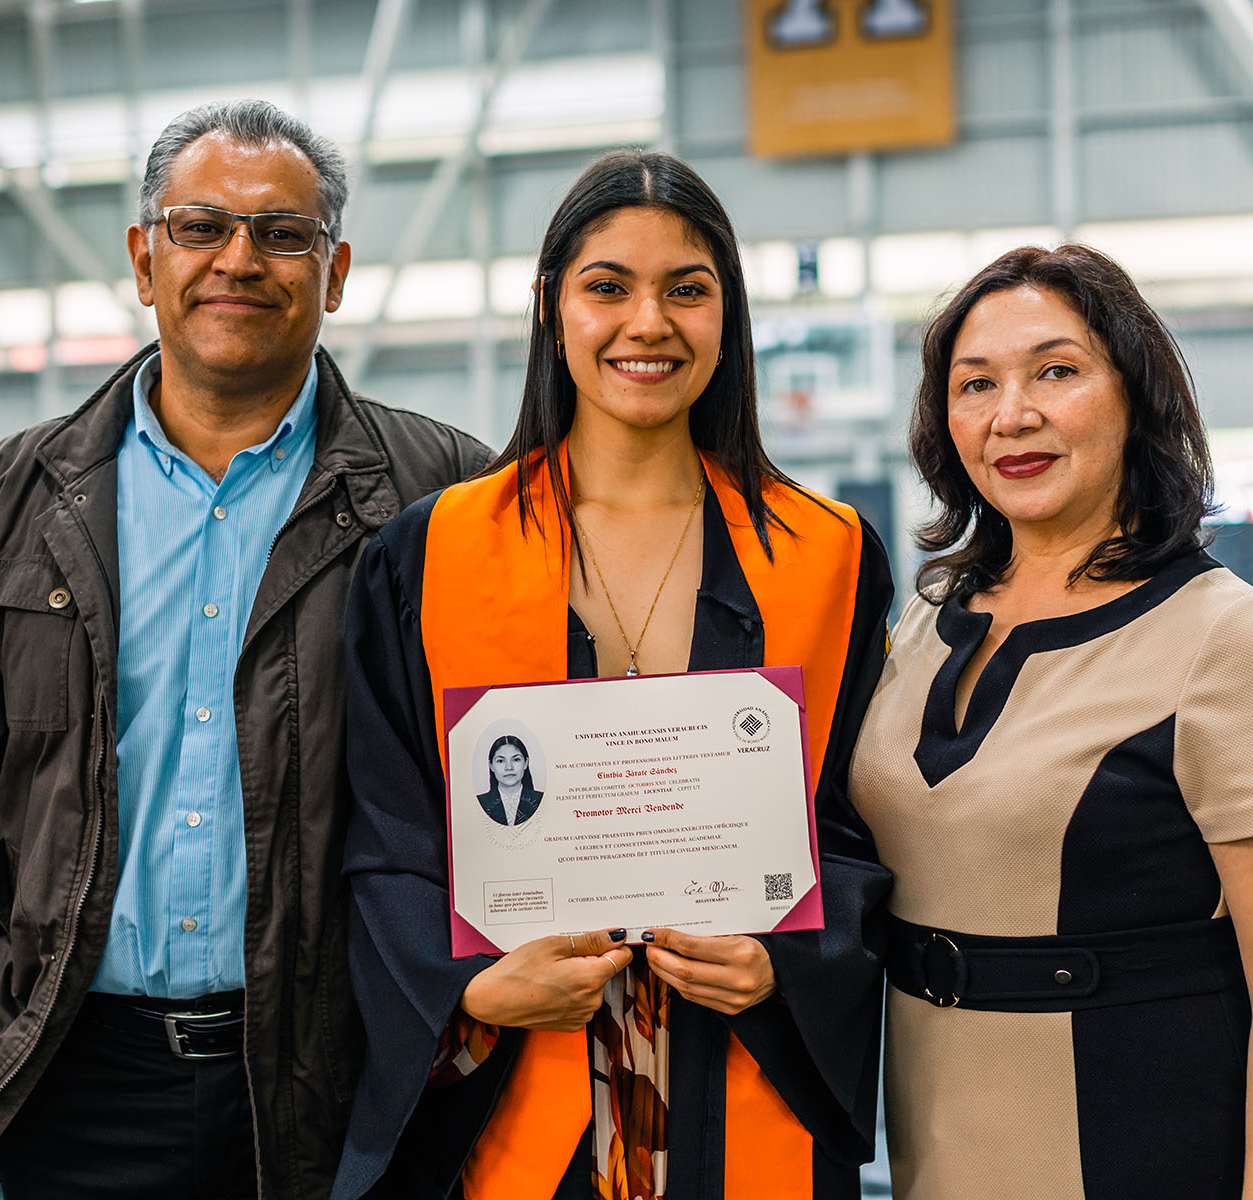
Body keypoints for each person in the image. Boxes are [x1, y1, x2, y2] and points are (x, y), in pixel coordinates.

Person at [0, 99, 489, 1199]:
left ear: (333, 273)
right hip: (73, 1080)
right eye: (201, 228)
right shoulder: (5, 503)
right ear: (147, 259)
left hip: (353, 1074)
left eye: (281, 234)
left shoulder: (445, 499)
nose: (238, 259)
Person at [337, 148, 894, 1200]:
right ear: (552, 309)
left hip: (744, 1093)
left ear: (728, 316)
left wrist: (790, 964)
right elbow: (386, 829)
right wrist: (474, 985)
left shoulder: (829, 556)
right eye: (608, 287)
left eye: (688, 289)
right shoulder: (432, 556)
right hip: (515, 1104)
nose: (650, 323)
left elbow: (863, 825)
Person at [849, 244, 1253, 1199]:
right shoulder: (926, 620)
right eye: (975, 385)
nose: (1012, 416)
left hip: (1140, 1140)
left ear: (1136, 397)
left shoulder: (1236, 645)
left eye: (1057, 371)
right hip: (936, 1142)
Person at [476, 734, 544, 826]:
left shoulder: (541, 800)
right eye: (500, 761)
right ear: (491, 765)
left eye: (516, 759)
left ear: (526, 763)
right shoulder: (480, 803)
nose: (509, 767)